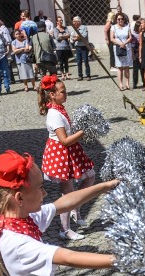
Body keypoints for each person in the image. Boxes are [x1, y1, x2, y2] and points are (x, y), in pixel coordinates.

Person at [38, 75, 94, 240]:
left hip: (69, 151)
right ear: (52, 95)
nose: (66, 94)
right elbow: (64, 140)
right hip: (61, 154)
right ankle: (65, 230)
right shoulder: (54, 114)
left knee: (90, 176)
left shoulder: (59, 108)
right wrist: (83, 131)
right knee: (67, 193)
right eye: (62, 92)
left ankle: (75, 209)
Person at [111, 13, 133, 90]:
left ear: (124, 19)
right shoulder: (113, 27)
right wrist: (120, 43)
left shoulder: (127, 27)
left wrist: (125, 43)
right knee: (120, 67)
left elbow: (130, 37)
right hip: (118, 47)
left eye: (121, 19)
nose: (120, 20)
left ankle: (127, 83)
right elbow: (112, 38)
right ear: (116, 20)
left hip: (126, 47)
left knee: (127, 66)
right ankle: (120, 84)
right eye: (118, 19)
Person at [70, 17, 91, 81]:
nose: (73, 22)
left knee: (86, 61)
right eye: (73, 21)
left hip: (84, 47)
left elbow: (84, 36)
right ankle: (80, 75)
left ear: (78, 22)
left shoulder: (84, 27)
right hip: (77, 47)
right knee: (78, 62)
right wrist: (76, 38)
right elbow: (71, 38)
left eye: (74, 21)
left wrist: (77, 38)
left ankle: (88, 75)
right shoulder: (74, 29)